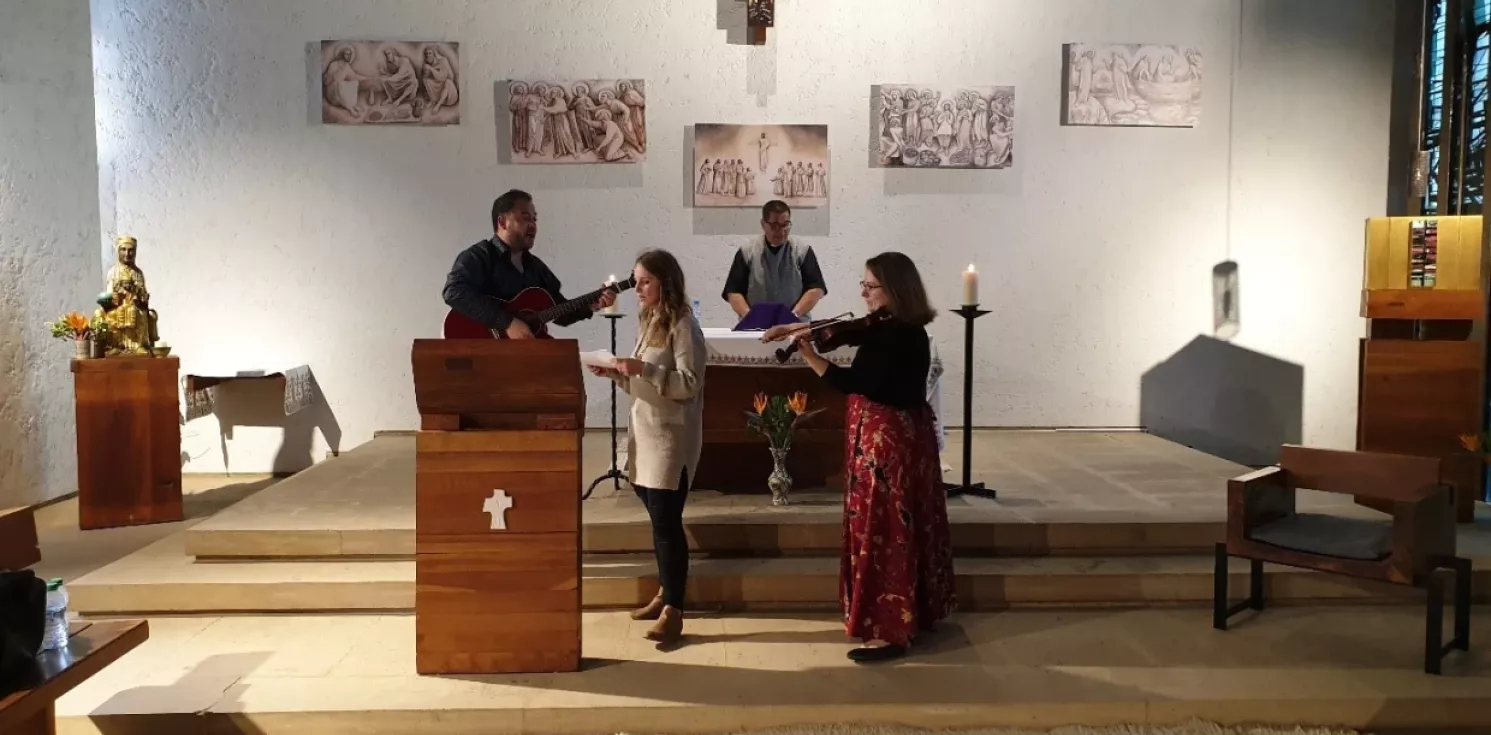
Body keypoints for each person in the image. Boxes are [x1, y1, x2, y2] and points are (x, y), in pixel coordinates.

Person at [762, 251, 954, 662]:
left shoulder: (897, 335)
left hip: (887, 448)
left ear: (895, 290)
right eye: (863, 285)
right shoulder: (890, 325)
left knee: (884, 527)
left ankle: (890, 630)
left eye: (871, 286)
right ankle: (904, 614)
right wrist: (797, 326)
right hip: (890, 440)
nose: (863, 293)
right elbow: (849, 330)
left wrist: (810, 356)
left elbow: (855, 381)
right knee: (885, 525)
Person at [589, 249, 707, 645]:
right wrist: (617, 375)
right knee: (659, 525)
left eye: (644, 281)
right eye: (636, 279)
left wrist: (644, 369)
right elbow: (645, 382)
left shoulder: (684, 325)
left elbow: (689, 384)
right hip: (646, 433)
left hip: (671, 438)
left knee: (667, 525)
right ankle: (664, 593)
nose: (635, 288)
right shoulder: (650, 320)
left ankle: (675, 609)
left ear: (664, 283)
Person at [443, 189, 614, 338]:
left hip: (523, 354)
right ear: (502, 222)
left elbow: (559, 312)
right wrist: (507, 323)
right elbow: (454, 291)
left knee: (564, 360)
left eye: (535, 219)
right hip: (483, 351)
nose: (532, 225)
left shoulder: (535, 266)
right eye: (525, 218)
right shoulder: (480, 256)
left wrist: (591, 306)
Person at [721, 200, 827, 321]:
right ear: (763, 224)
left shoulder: (802, 251)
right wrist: (749, 316)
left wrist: (793, 315)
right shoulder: (747, 251)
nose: (781, 231)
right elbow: (733, 291)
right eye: (774, 225)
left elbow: (816, 288)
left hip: (794, 325)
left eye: (785, 225)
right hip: (755, 326)